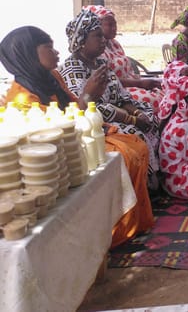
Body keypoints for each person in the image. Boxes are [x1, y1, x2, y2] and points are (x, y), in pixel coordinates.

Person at [0, 25, 154, 248]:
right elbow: (55, 131)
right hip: (63, 152)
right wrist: (88, 94)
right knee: (125, 154)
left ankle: (134, 223)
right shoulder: (21, 97)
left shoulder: (52, 76)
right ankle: (116, 230)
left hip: (79, 134)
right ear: (28, 53)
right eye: (48, 47)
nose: (56, 53)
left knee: (136, 144)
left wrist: (91, 95)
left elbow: (74, 106)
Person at [61, 9, 161, 177]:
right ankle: (145, 182)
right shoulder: (73, 68)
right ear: (82, 40)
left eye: (102, 36)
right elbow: (91, 108)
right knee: (135, 134)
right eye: (97, 36)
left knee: (151, 115)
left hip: (116, 112)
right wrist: (133, 119)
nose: (103, 40)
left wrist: (137, 113)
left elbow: (121, 95)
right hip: (95, 122)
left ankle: (154, 175)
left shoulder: (100, 62)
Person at [84, 5, 163, 112]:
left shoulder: (114, 44)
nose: (114, 28)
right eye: (110, 25)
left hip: (133, 84)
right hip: (119, 90)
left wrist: (141, 81)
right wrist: (140, 84)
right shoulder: (97, 50)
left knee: (164, 92)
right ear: (97, 26)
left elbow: (127, 71)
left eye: (115, 24)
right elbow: (108, 80)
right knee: (153, 100)